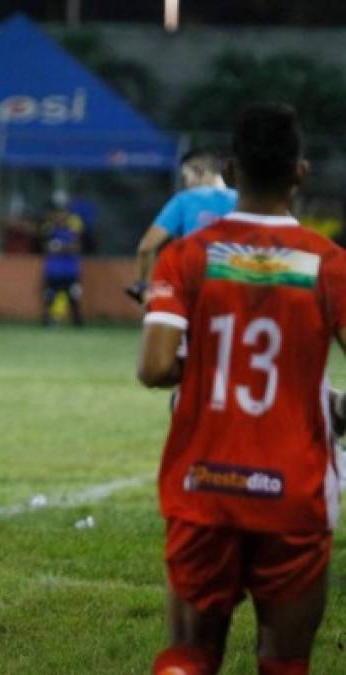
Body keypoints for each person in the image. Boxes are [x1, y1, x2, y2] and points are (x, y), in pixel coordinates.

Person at [138, 103, 344, 675]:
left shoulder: (185, 257)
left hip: (205, 483)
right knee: (284, 661)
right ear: (299, 173)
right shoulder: (329, 264)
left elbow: (154, 367)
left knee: (187, 655)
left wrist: (202, 362)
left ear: (232, 168)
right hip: (294, 491)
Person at [128, 149, 238, 303]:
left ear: (200, 173)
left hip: (194, 289)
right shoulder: (243, 200)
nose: (186, 183)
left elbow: (146, 247)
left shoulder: (184, 200)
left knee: (161, 294)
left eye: (186, 177)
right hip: (236, 287)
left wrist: (142, 286)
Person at [40, 202, 83, 327]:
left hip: (70, 271)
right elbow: (45, 247)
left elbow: (76, 248)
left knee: (74, 296)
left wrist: (58, 247)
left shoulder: (73, 230)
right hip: (53, 270)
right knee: (49, 296)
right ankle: (48, 321)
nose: (61, 217)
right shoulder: (49, 230)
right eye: (58, 214)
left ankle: (77, 322)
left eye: (64, 214)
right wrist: (64, 247)